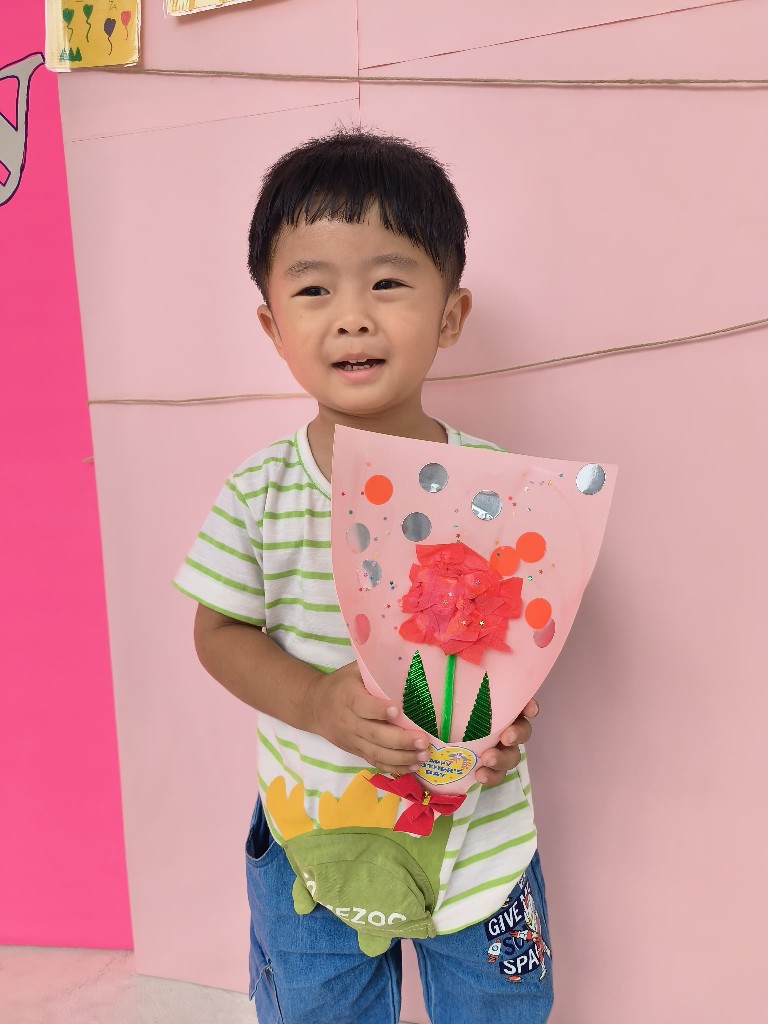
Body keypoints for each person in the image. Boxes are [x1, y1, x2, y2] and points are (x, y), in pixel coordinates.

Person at [174, 129, 553, 1023]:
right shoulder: (260, 491)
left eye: (387, 282)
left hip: (478, 842)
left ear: (450, 315)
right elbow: (218, 633)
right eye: (314, 289)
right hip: (314, 837)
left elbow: (522, 638)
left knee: (501, 1009)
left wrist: (511, 719)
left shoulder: (497, 487)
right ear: (273, 326)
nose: (352, 317)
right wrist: (313, 702)